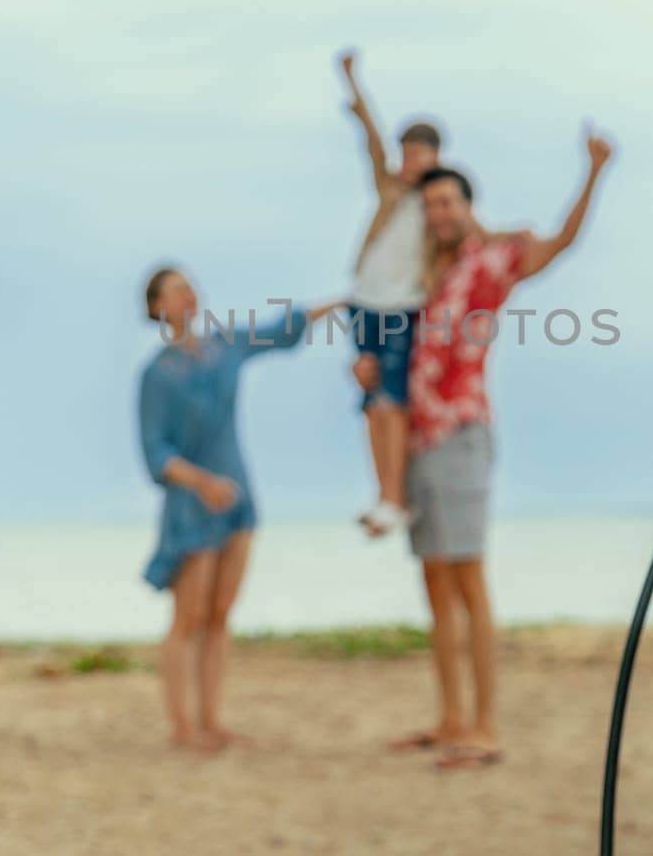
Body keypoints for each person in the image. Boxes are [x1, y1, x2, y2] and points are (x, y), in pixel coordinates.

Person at [359, 129, 614, 769]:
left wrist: (593, 172)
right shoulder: (428, 271)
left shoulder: (493, 260)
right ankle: (450, 717)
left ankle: (486, 726)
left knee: (468, 578)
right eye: (432, 206)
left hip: (461, 433)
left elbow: (560, 243)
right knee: (435, 581)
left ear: (468, 206)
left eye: (448, 203)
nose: (439, 214)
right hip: (418, 437)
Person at [137, 267, 341, 751]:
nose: (190, 295)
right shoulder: (156, 375)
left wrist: (345, 301)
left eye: (191, 287)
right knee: (188, 617)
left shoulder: (226, 346)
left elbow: (282, 331)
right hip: (191, 507)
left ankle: (212, 720)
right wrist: (204, 484)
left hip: (240, 502)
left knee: (221, 614)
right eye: (177, 290)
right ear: (156, 309)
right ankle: (183, 727)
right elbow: (155, 453)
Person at [336, 49, 442, 538]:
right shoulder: (392, 190)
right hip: (365, 301)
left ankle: (396, 498)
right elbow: (372, 143)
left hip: (403, 306)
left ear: (435, 155)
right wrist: (355, 87)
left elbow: (473, 232)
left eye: (417, 153)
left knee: (393, 400)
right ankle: (383, 496)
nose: (408, 161)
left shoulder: (440, 197)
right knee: (373, 400)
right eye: (406, 153)